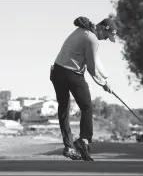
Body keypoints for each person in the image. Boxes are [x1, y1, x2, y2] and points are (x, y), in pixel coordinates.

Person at [50, 16, 117, 161]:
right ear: (102, 28)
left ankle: (68, 147)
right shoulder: (93, 39)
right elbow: (92, 69)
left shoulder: (82, 30)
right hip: (72, 74)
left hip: (57, 71)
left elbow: (93, 61)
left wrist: (104, 79)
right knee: (86, 106)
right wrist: (104, 84)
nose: (106, 39)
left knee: (63, 107)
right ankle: (84, 141)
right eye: (107, 35)